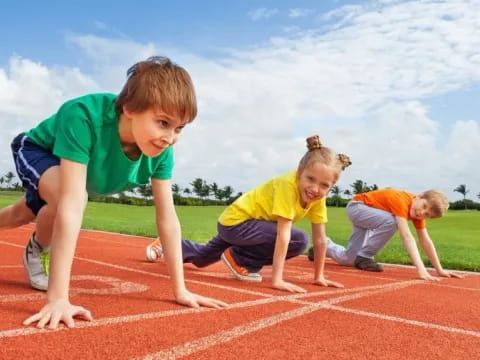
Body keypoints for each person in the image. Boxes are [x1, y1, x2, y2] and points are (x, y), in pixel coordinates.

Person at [0, 56, 227, 330]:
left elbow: (167, 219)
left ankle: (34, 245)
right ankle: (39, 249)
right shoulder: (82, 116)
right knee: (67, 199)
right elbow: (72, 203)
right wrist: (58, 299)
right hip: (38, 149)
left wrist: (181, 290)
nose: (170, 137)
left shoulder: (162, 153)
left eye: (179, 128)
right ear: (130, 108)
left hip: (67, 179)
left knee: (19, 214)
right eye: (163, 123)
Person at [147, 135, 351, 293]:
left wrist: (319, 276)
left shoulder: (317, 198)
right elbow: (283, 234)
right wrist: (277, 280)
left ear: (331, 186)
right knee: (299, 240)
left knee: (201, 259)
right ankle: (240, 259)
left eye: (325, 185)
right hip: (237, 223)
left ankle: (166, 244)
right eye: (310, 179)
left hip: (251, 229)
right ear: (299, 172)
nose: (315, 188)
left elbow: (321, 239)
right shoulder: (287, 185)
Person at [325, 188, 464, 280]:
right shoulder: (401, 200)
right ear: (419, 196)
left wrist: (439, 269)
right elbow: (406, 236)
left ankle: (324, 246)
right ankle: (365, 256)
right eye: (424, 206)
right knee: (392, 221)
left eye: (426, 214)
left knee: (348, 259)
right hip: (357, 207)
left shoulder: (417, 214)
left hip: (369, 216)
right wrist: (421, 270)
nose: (422, 213)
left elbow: (425, 240)